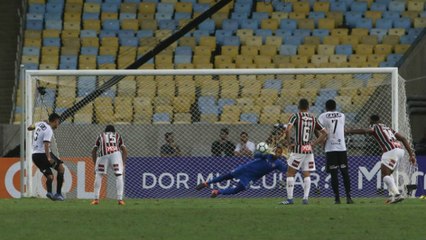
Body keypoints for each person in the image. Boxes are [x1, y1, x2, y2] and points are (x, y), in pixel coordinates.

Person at [346, 114, 416, 204]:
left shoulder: (375, 127)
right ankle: (392, 196)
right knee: (388, 173)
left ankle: (397, 195)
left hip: (390, 151)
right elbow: (403, 138)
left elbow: (364, 131)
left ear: (370, 120)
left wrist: (350, 131)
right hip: (399, 150)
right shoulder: (387, 128)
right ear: (379, 119)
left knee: (384, 174)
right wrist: (411, 155)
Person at [281, 99, 328, 205]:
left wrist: (289, 144)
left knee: (290, 173)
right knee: (306, 174)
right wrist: (314, 143)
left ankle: (290, 199)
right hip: (308, 149)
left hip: (298, 149)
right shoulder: (313, 118)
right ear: (308, 107)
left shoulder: (296, 116)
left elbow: (287, 130)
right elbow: (325, 133)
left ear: (298, 107)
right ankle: (305, 199)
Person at [196, 144, 288, 197]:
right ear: (274, 150)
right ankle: (206, 183)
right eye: (277, 151)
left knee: (238, 190)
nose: (278, 153)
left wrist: (292, 161)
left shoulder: (278, 163)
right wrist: (264, 152)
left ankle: (217, 192)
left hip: (251, 177)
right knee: (227, 176)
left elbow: (287, 171)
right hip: (245, 168)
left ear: (281, 154)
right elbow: (255, 155)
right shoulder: (267, 155)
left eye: (280, 152)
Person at [318, 99, 354, 204]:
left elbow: (318, 128)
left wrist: (321, 140)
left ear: (326, 107)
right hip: (342, 148)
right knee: (345, 173)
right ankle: (348, 197)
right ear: (335, 107)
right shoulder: (342, 115)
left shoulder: (323, 116)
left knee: (334, 174)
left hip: (330, 148)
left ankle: (337, 198)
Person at [27, 113, 65, 201]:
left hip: (35, 156)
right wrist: (49, 158)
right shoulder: (48, 130)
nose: (58, 124)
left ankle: (49, 193)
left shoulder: (39, 124)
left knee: (50, 177)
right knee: (61, 169)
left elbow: (29, 128)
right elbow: (46, 144)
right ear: (55, 121)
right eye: (58, 122)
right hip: (43, 154)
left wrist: (39, 123)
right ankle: (58, 194)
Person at [91, 125, 128, 205]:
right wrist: (123, 164)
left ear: (105, 131)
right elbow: (124, 150)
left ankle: (96, 199)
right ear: (113, 131)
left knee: (98, 175)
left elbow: (94, 150)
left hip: (103, 155)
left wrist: (95, 165)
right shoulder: (118, 135)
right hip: (115, 154)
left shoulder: (101, 135)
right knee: (119, 175)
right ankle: (120, 199)